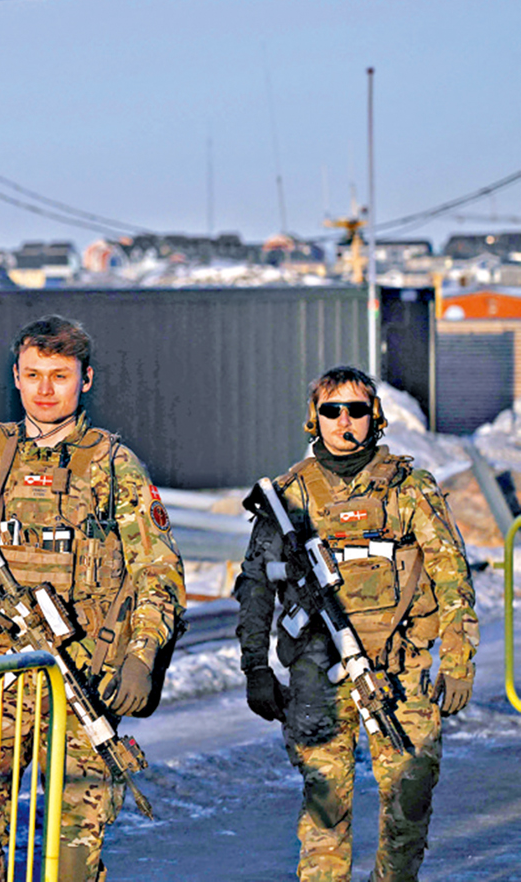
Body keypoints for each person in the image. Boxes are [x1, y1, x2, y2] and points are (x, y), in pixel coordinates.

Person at [0, 315, 186, 882]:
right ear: (16, 376)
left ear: (86, 380)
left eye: (59, 376)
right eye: (33, 374)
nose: (44, 389)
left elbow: (158, 570)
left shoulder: (114, 467)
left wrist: (142, 656)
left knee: (75, 854)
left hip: (81, 678)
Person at [235, 365, 478, 882]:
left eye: (356, 410)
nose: (344, 421)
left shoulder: (409, 489)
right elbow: (255, 586)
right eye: (331, 410)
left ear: (376, 417)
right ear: (314, 419)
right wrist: (255, 666)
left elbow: (451, 575)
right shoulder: (289, 496)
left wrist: (459, 662)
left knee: (410, 802)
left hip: (398, 672)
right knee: (324, 811)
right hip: (316, 679)